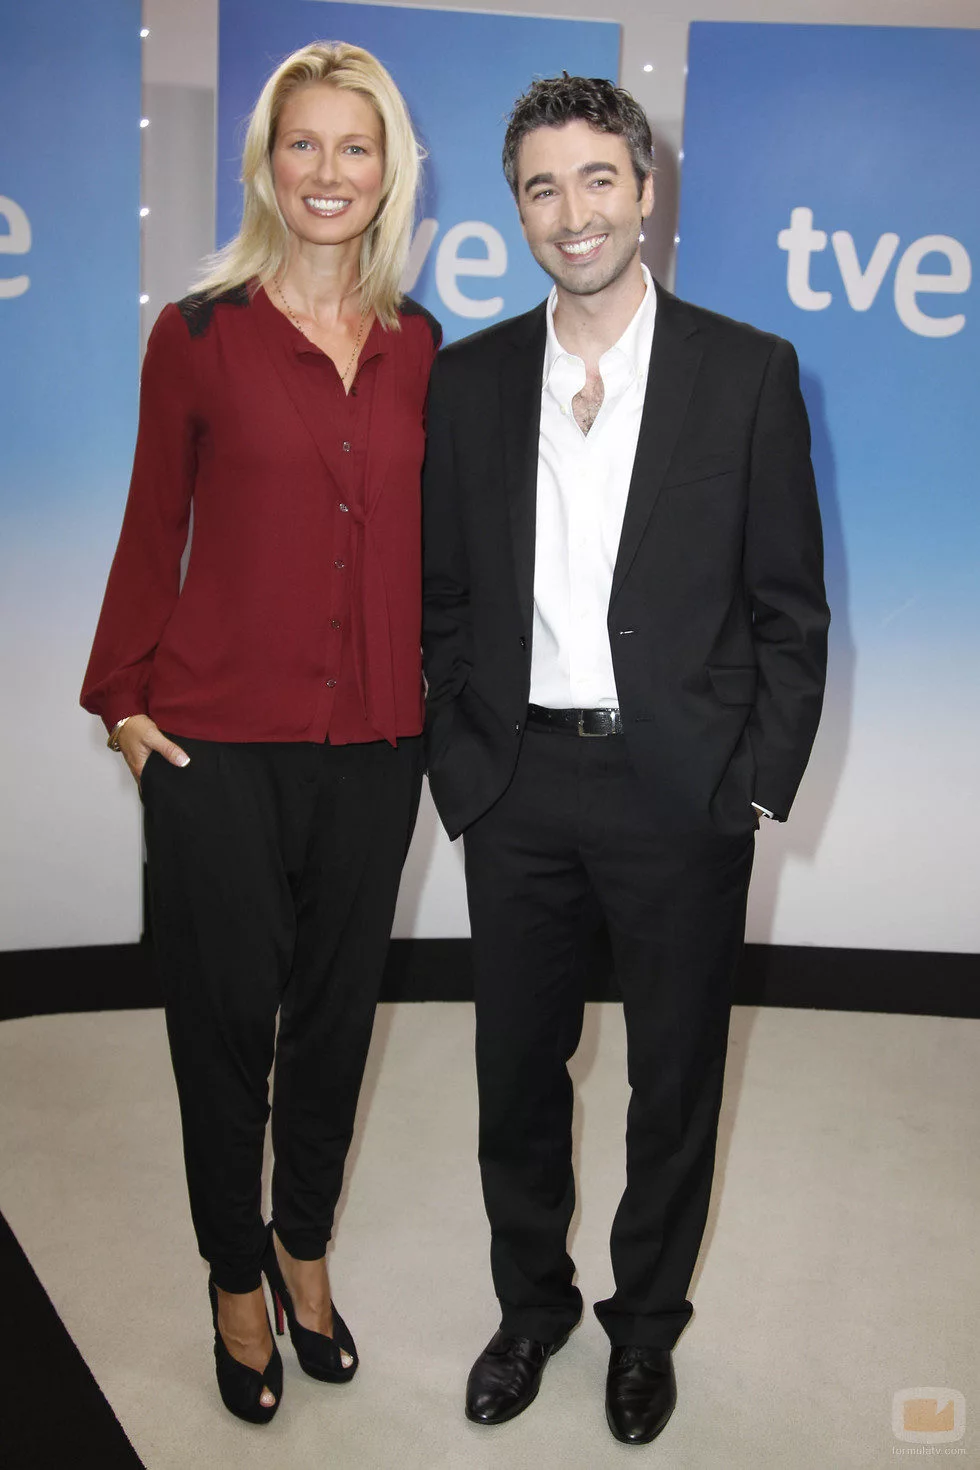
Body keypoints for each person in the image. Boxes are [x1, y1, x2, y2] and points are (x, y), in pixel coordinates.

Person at [422, 74, 828, 1445]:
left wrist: (752, 780)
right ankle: (530, 1306)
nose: (573, 211)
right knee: (516, 1077)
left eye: (599, 178)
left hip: (681, 789)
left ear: (646, 192)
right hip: (518, 782)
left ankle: (644, 1326)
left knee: (675, 1084)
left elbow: (790, 606)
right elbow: (443, 596)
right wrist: (459, 756)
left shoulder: (747, 370)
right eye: (542, 186)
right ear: (518, 209)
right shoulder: (469, 380)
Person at [81, 41, 440, 1425]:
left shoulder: (424, 347)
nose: (328, 172)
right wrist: (123, 703)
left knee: (336, 1024)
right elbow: (148, 528)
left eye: (355, 146)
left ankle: (304, 1248)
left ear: (389, 170)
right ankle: (234, 1275)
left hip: (376, 744)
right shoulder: (196, 336)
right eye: (304, 144)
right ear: (266, 165)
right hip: (216, 747)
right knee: (227, 1030)